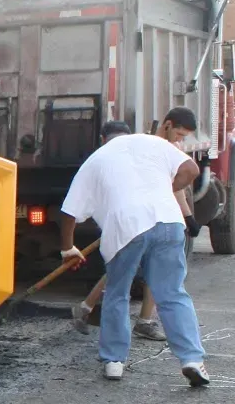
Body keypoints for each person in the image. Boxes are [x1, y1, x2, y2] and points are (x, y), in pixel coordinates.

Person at [57, 107, 211, 386]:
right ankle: (192, 359)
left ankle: (114, 360)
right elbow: (191, 169)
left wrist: (68, 248)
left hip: (126, 227)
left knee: (117, 292)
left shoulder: (96, 159)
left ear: (104, 139)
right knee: (173, 293)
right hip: (168, 221)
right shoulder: (152, 143)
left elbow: (69, 212)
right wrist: (165, 188)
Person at [70, 121, 165, 343]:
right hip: (122, 221)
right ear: (104, 141)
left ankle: (87, 307)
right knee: (138, 267)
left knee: (132, 265)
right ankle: (141, 323)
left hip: (135, 220)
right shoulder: (100, 162)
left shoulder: (131, 159)